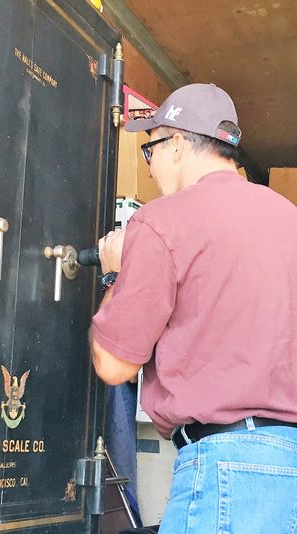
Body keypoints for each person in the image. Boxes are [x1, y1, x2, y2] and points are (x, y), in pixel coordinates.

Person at [90, 83, 297, 533]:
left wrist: (113, 273)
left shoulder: (162, 221)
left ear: (178, 144)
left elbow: (113, 365)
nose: (150, 167)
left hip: (226, 472)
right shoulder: (290, 218)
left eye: (150, 150)